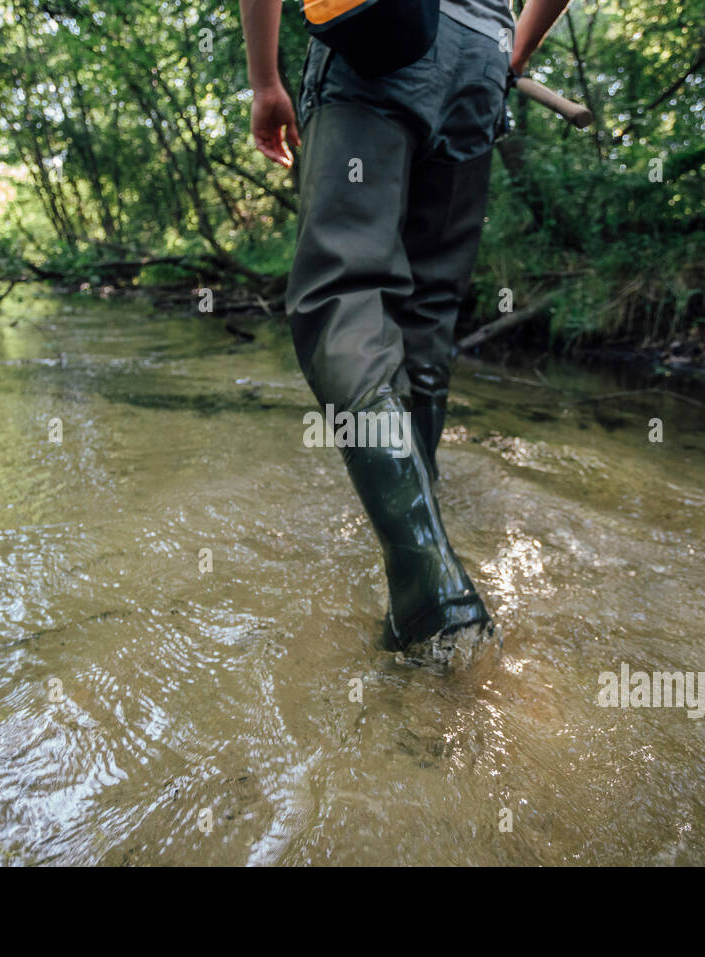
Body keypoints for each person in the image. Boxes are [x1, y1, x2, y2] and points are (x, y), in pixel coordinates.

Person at [240, 0, 571, 665]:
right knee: (426, 316)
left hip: (377, 32)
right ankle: (425, 565)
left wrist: (266, 81)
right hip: (481, 59)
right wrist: (513, 51)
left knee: (341, 295)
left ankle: (432, 590)